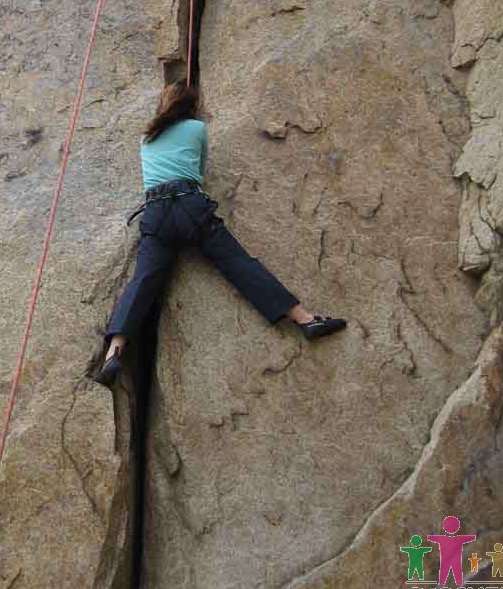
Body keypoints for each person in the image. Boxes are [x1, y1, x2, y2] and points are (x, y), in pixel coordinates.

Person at [93, 79, 346, 388]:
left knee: (143, 280)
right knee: (238, 263)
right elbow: (198, 173)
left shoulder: (146, 137)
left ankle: (114, 351)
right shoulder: (196, 129)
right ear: (192, 106)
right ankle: (305, 319)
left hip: (156, 212)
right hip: (190, 206)